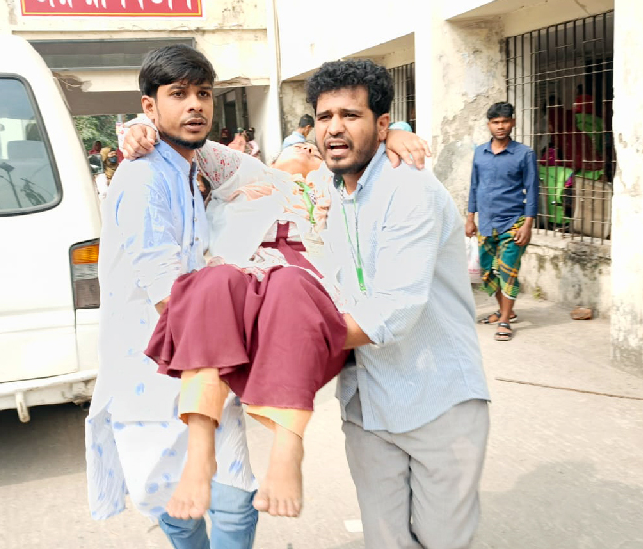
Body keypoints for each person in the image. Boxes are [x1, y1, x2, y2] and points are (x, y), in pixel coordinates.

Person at [119, 117, 429, 521]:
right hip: (238, 279)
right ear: (273, 155)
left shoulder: (332, 183)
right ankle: (200, 449)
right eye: (297, 145)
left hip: (303, 282)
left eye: (312, 149)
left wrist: (396, 133)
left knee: (290, 287)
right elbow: (184, 133)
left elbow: (370, 154)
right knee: (212, 284)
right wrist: (138, 126)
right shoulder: (243, 172)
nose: (306, 149)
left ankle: (287, 445)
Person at [310, 59, 491, 549]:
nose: (335, 128)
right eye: (325, 117)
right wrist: (144, 131)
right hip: (366, 402)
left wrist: (292, 340)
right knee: (385, 540)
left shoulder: (410, 189)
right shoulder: (329, 188)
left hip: (436, 398)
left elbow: (392, 312)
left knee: (441, 540)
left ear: (382, 124)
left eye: (351, 115)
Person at [85, 44, 258, 549]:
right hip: (153, 371)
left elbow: (285, 169)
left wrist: (392, 135)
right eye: (178, 94)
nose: (195, 105)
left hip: (199, 362)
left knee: (234, 500)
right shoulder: (143, 178)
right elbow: (168, 293)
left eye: (203, 93)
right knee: (178, 506)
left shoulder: (188, 164)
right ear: (150, 106)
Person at [466, 102, 539, 341]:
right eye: (496, 122)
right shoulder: (480, 153)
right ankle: (506, 310)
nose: (500, 126)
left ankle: (505, 320)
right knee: (488, 272)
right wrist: (470, 218)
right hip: (487, 223)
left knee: (508, 270)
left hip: (514, 222)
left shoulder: (524, 154)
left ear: (513, 123)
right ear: (489, 125)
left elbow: (532, 190)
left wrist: (528, 225)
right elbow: (474, 186)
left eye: (505, 121)